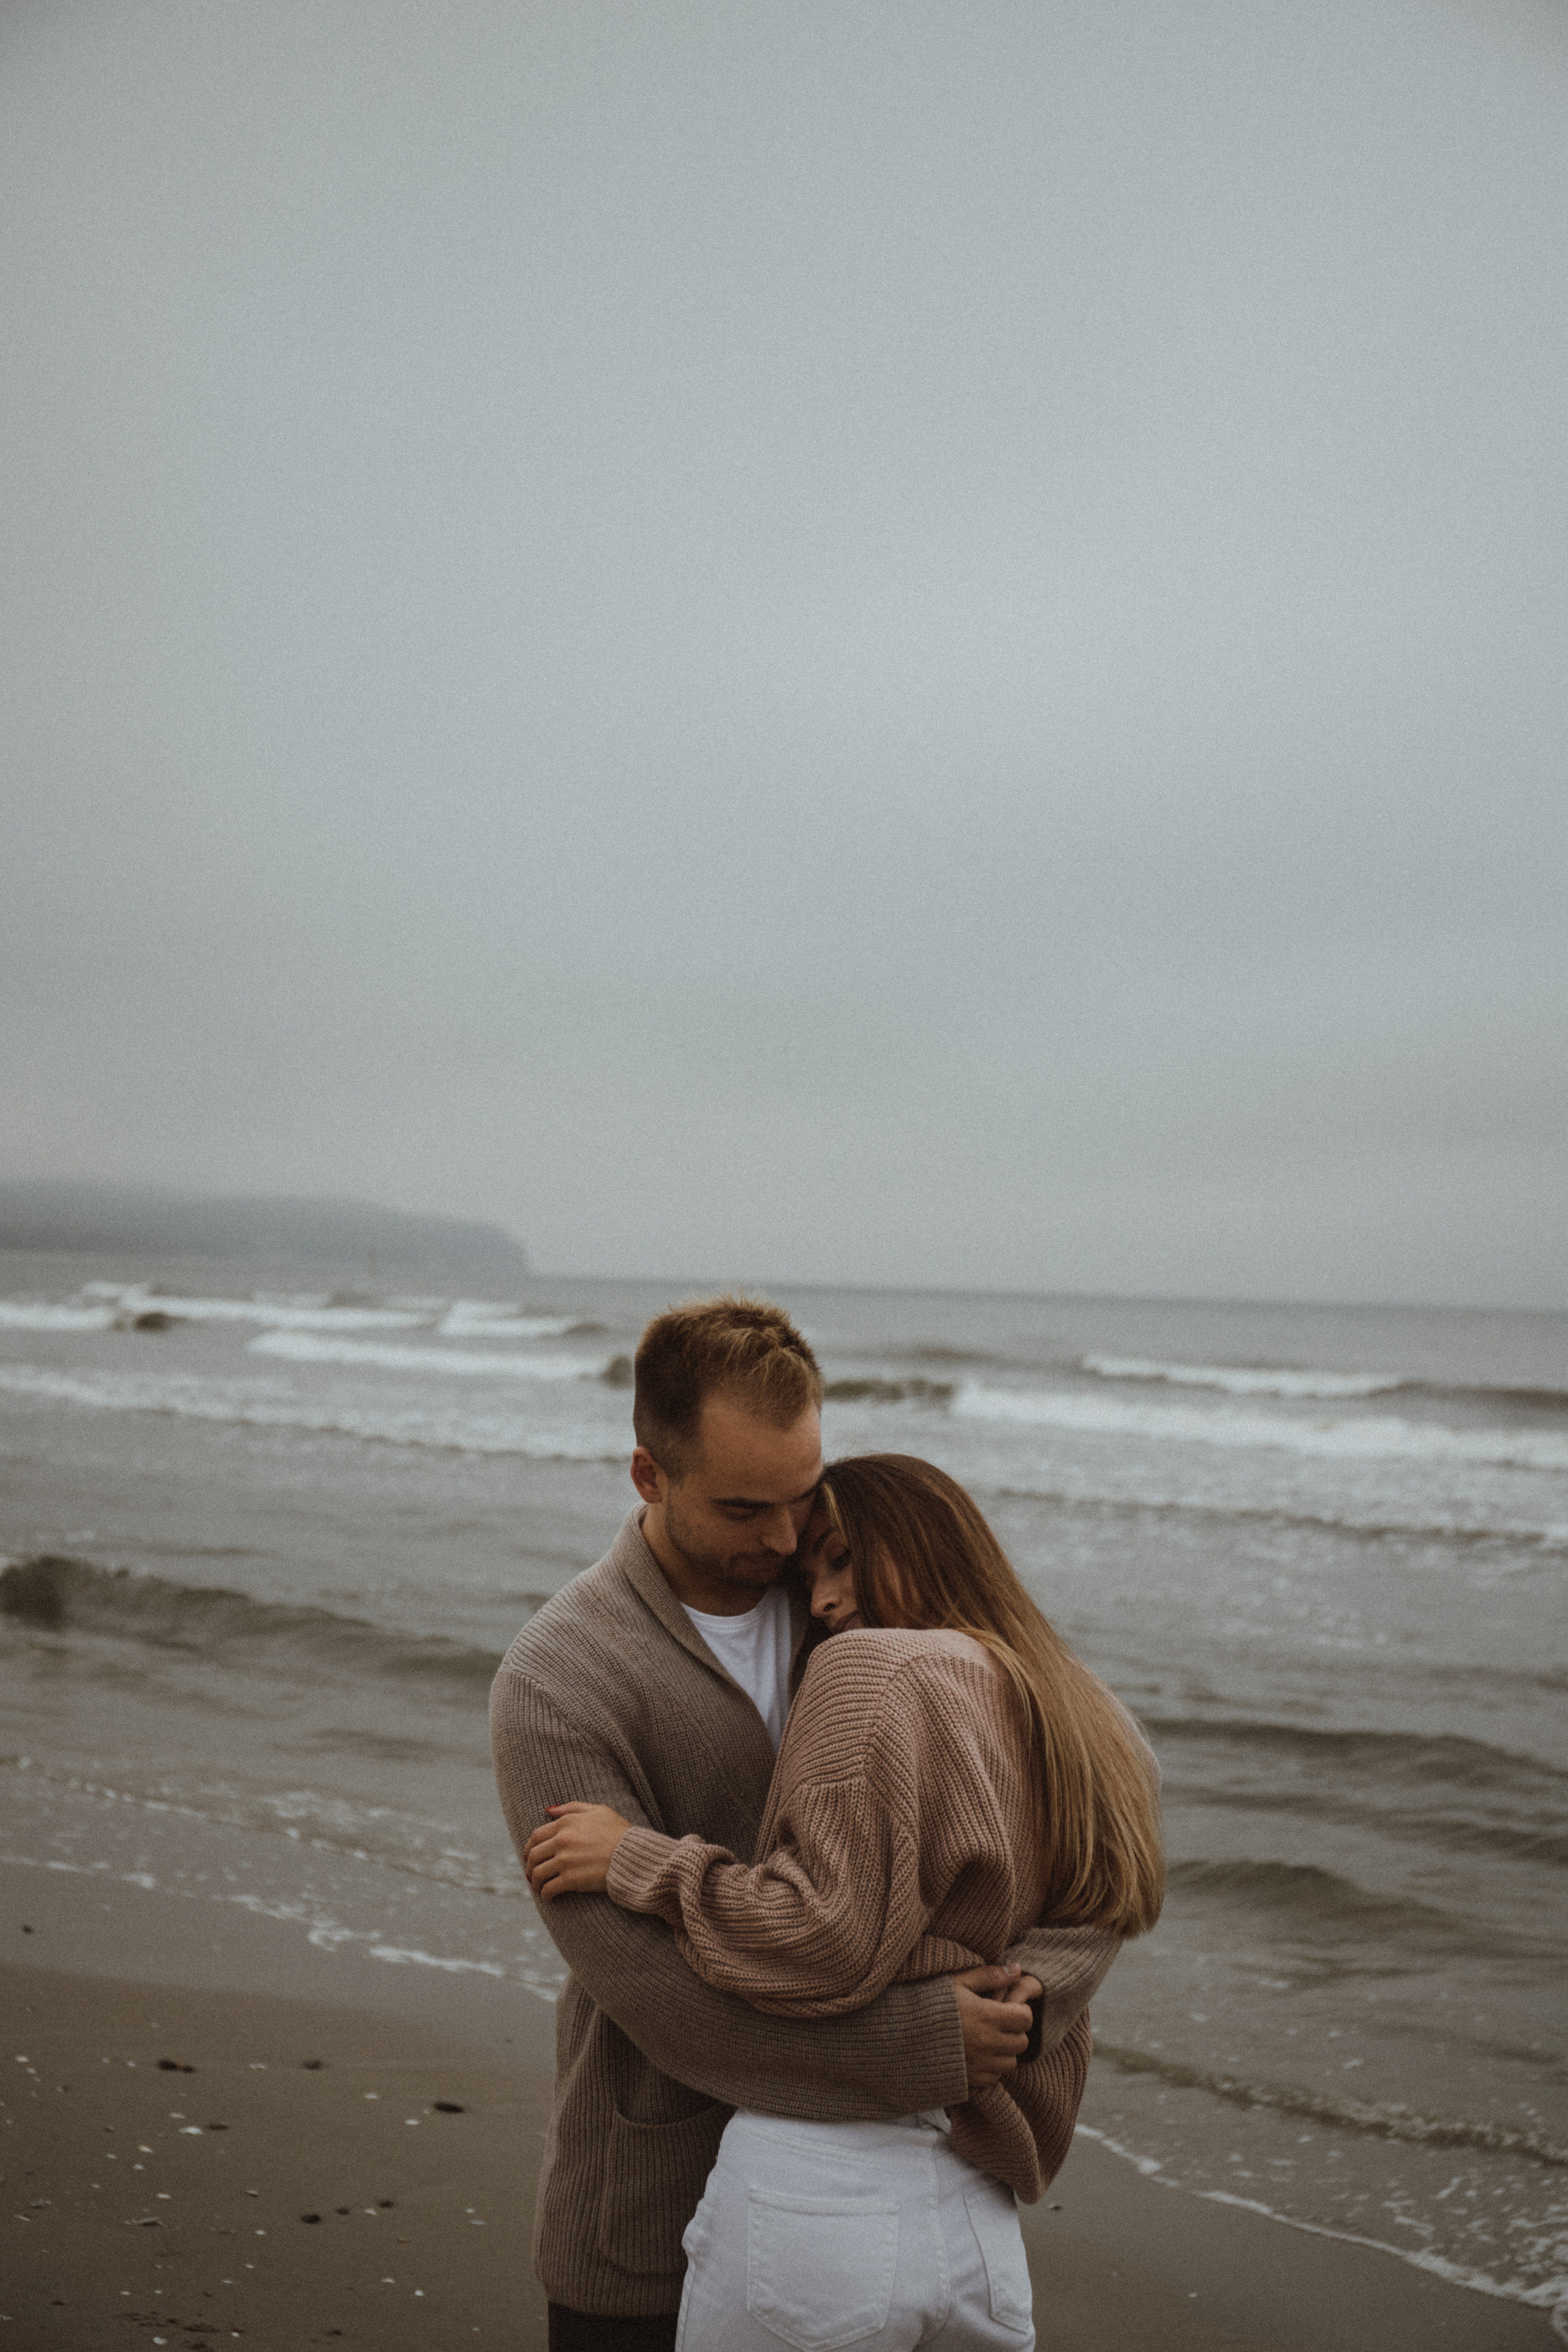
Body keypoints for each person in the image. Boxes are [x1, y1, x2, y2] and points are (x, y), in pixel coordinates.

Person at [491, 1300, 1117, 2351]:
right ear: (650, 1476)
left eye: (801, 1497)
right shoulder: (558, 1682)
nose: (785, 1541)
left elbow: (1079, 1831)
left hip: (898, 2192)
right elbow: (657, 1996)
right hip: (653, 2202)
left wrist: (1033, 1996)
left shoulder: (866, 1601)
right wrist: (920, 2045)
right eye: (745, 1509)